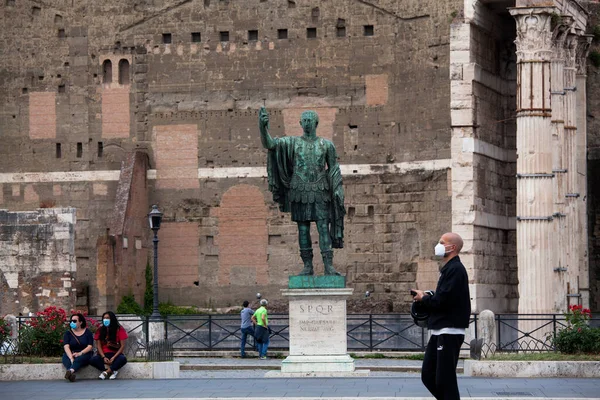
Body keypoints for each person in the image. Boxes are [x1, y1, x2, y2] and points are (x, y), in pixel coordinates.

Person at [259, 107, 346, 276]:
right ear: (300, 123)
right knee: (303, 230)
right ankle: (308, 266)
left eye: (309, 120)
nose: (306, 124)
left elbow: (334, 169)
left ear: (316, 123)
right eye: (304, 121)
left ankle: (328, 266)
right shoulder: (292, 143)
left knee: (323, 227)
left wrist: (338, 190)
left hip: (321, 190)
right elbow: (269, 144)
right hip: (299, 190)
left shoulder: (327, 145)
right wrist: (263, 127)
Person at [411, 232, 471, 400]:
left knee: (445, 380)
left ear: (452, 247)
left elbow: (443, 300)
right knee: (428, 375)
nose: (437, 245)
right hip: (440, 331)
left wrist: (424, 297)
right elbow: (444, 297)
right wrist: (428, 296)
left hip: (449, 331)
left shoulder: (456, 269)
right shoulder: (449, 269)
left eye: (441, 242)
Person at [89, 311, 128, 380]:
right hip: (103, 354)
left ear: (112, 319)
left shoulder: (119, 329)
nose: (105, 320)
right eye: (104, 318)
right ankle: (112, 371)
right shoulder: (100, 330)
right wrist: (103, 357)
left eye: (107, 318)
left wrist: (113, 357)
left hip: (115, 354)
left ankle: (105, 373)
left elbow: (122, 346)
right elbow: (99, 346)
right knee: (92, 360)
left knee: (123, 359)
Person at [62, 312, 94, 382]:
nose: (72, 322)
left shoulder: (87, 332)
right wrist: (71, 357)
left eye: (74, 321)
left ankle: (70, 371)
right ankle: (70, 373)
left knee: (79, 359)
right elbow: (66, 346)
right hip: (72, 353)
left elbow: (90, 346)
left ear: (80, 322)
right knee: (66, 358)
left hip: (84, 353)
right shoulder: (68, 333)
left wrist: (80, 353)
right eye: (71, 321)